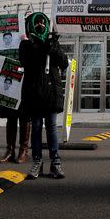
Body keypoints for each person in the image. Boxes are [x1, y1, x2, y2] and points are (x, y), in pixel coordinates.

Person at [19, 12, 68, 179]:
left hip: (50, 92)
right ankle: (37, 162)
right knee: (37, 127)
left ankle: (55, 162)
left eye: (42, 22)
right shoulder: (26, 44)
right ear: (32, 25)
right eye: (37, 22)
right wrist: (42, 43)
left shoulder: (53, 42)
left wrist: (53, 43)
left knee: (52, 128)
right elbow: (26, 61)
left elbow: (64, 63)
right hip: (34, 92)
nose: (40, 25)